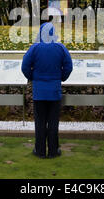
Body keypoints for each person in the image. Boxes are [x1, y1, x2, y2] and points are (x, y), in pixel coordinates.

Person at [21, 22, 73, 159]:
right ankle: (53, 151)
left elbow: (24, 66)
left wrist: (33, 77)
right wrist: (61, 78)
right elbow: (68, 66)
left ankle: (40, 151)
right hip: (54, 91)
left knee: (40, 122)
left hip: (39, 92)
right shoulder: (60, 48)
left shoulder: (35, 48)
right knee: (53, 123)